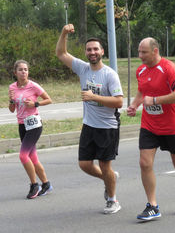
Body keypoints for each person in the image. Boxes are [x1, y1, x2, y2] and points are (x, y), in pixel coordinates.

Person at [56, 24, 123, 214]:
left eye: (95, 49)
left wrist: (94, 97)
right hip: (89, 125)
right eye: (89, 49)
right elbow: (61, 53)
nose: (92, 52)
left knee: (104, 164)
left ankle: (112, 199)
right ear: (86, 52)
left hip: (107, 127)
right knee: (84, 164)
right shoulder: (83, 69)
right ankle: (109, 178)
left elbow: (118, 102)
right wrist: (64, 33)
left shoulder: (110, 75)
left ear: (102, 51)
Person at [127, 37, 175, 221]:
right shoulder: (140, 70)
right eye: (139, 52)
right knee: (144, 163)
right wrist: (135, 105)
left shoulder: (169, 68)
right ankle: (152, 205)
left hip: (172, 125)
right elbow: (142, 91)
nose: (140, 56)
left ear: (155, 51)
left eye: (144, 52)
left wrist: (155, 100)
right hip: (149, 125)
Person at [9, 60, 53, 199]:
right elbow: (12, 110)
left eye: (26, 69)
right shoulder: (12, 87)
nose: (24, 72)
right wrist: (11, 101)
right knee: (33, 158)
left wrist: (35, 103)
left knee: (23, 156)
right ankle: (46, 184)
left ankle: (34, 185)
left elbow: (49, 100)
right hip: (22, 124)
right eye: (21, 69)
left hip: (34, 124)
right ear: (15, 72)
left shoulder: (33, 86)